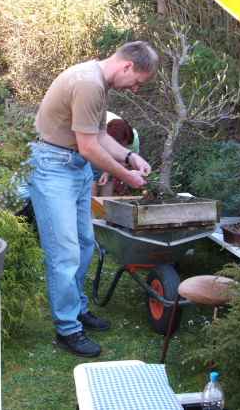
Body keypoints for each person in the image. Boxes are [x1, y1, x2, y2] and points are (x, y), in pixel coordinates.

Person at [28, 41, 158, 357]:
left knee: (85, 244)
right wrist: (127, 177)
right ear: (127, 66)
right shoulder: (88, 83)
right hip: (53, 168)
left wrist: (130, 157)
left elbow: (98, 136)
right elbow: (89, 148)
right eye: (137, 82)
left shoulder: (98, 82)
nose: (135, 89)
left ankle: (77, 308)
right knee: (64, 253)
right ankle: (67, 329)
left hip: (74, 167)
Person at [91, 113, 140, 196]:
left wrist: (108, 172)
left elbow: (128, 161)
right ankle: (90, 202)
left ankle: (106, 203)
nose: (120, 147)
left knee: (110, 177)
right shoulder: (97, 130)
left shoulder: (133, 140)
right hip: (88, 135)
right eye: (118, 145)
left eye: (123, 145)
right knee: (93, 173)